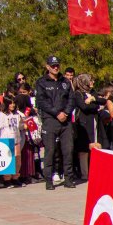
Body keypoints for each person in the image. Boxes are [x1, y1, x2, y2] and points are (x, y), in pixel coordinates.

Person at [35, 56, 76, 189]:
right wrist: (56, 113)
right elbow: (41, 101)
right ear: (47, 67)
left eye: (57, 65)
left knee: (68, 150)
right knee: (50, 151)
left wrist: (66, 112)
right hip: (50, 120)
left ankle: (69, 179)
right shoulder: (41, 82)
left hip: (66, 120)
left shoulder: (65, 81)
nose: (56, 67)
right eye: (53, 65)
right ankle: (49, 180)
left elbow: (71, 99)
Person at [70, 73, 103, 181]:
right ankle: (85, 173)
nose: (92, 82)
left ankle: (96, 171)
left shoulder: (93, 92)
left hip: (94, 121)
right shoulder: (78, 94)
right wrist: (95, 104)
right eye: (90, 80)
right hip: (83, 123)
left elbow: (102, 101)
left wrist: (93, 99)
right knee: (84, 148)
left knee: (96, 146)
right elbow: (84, 107)